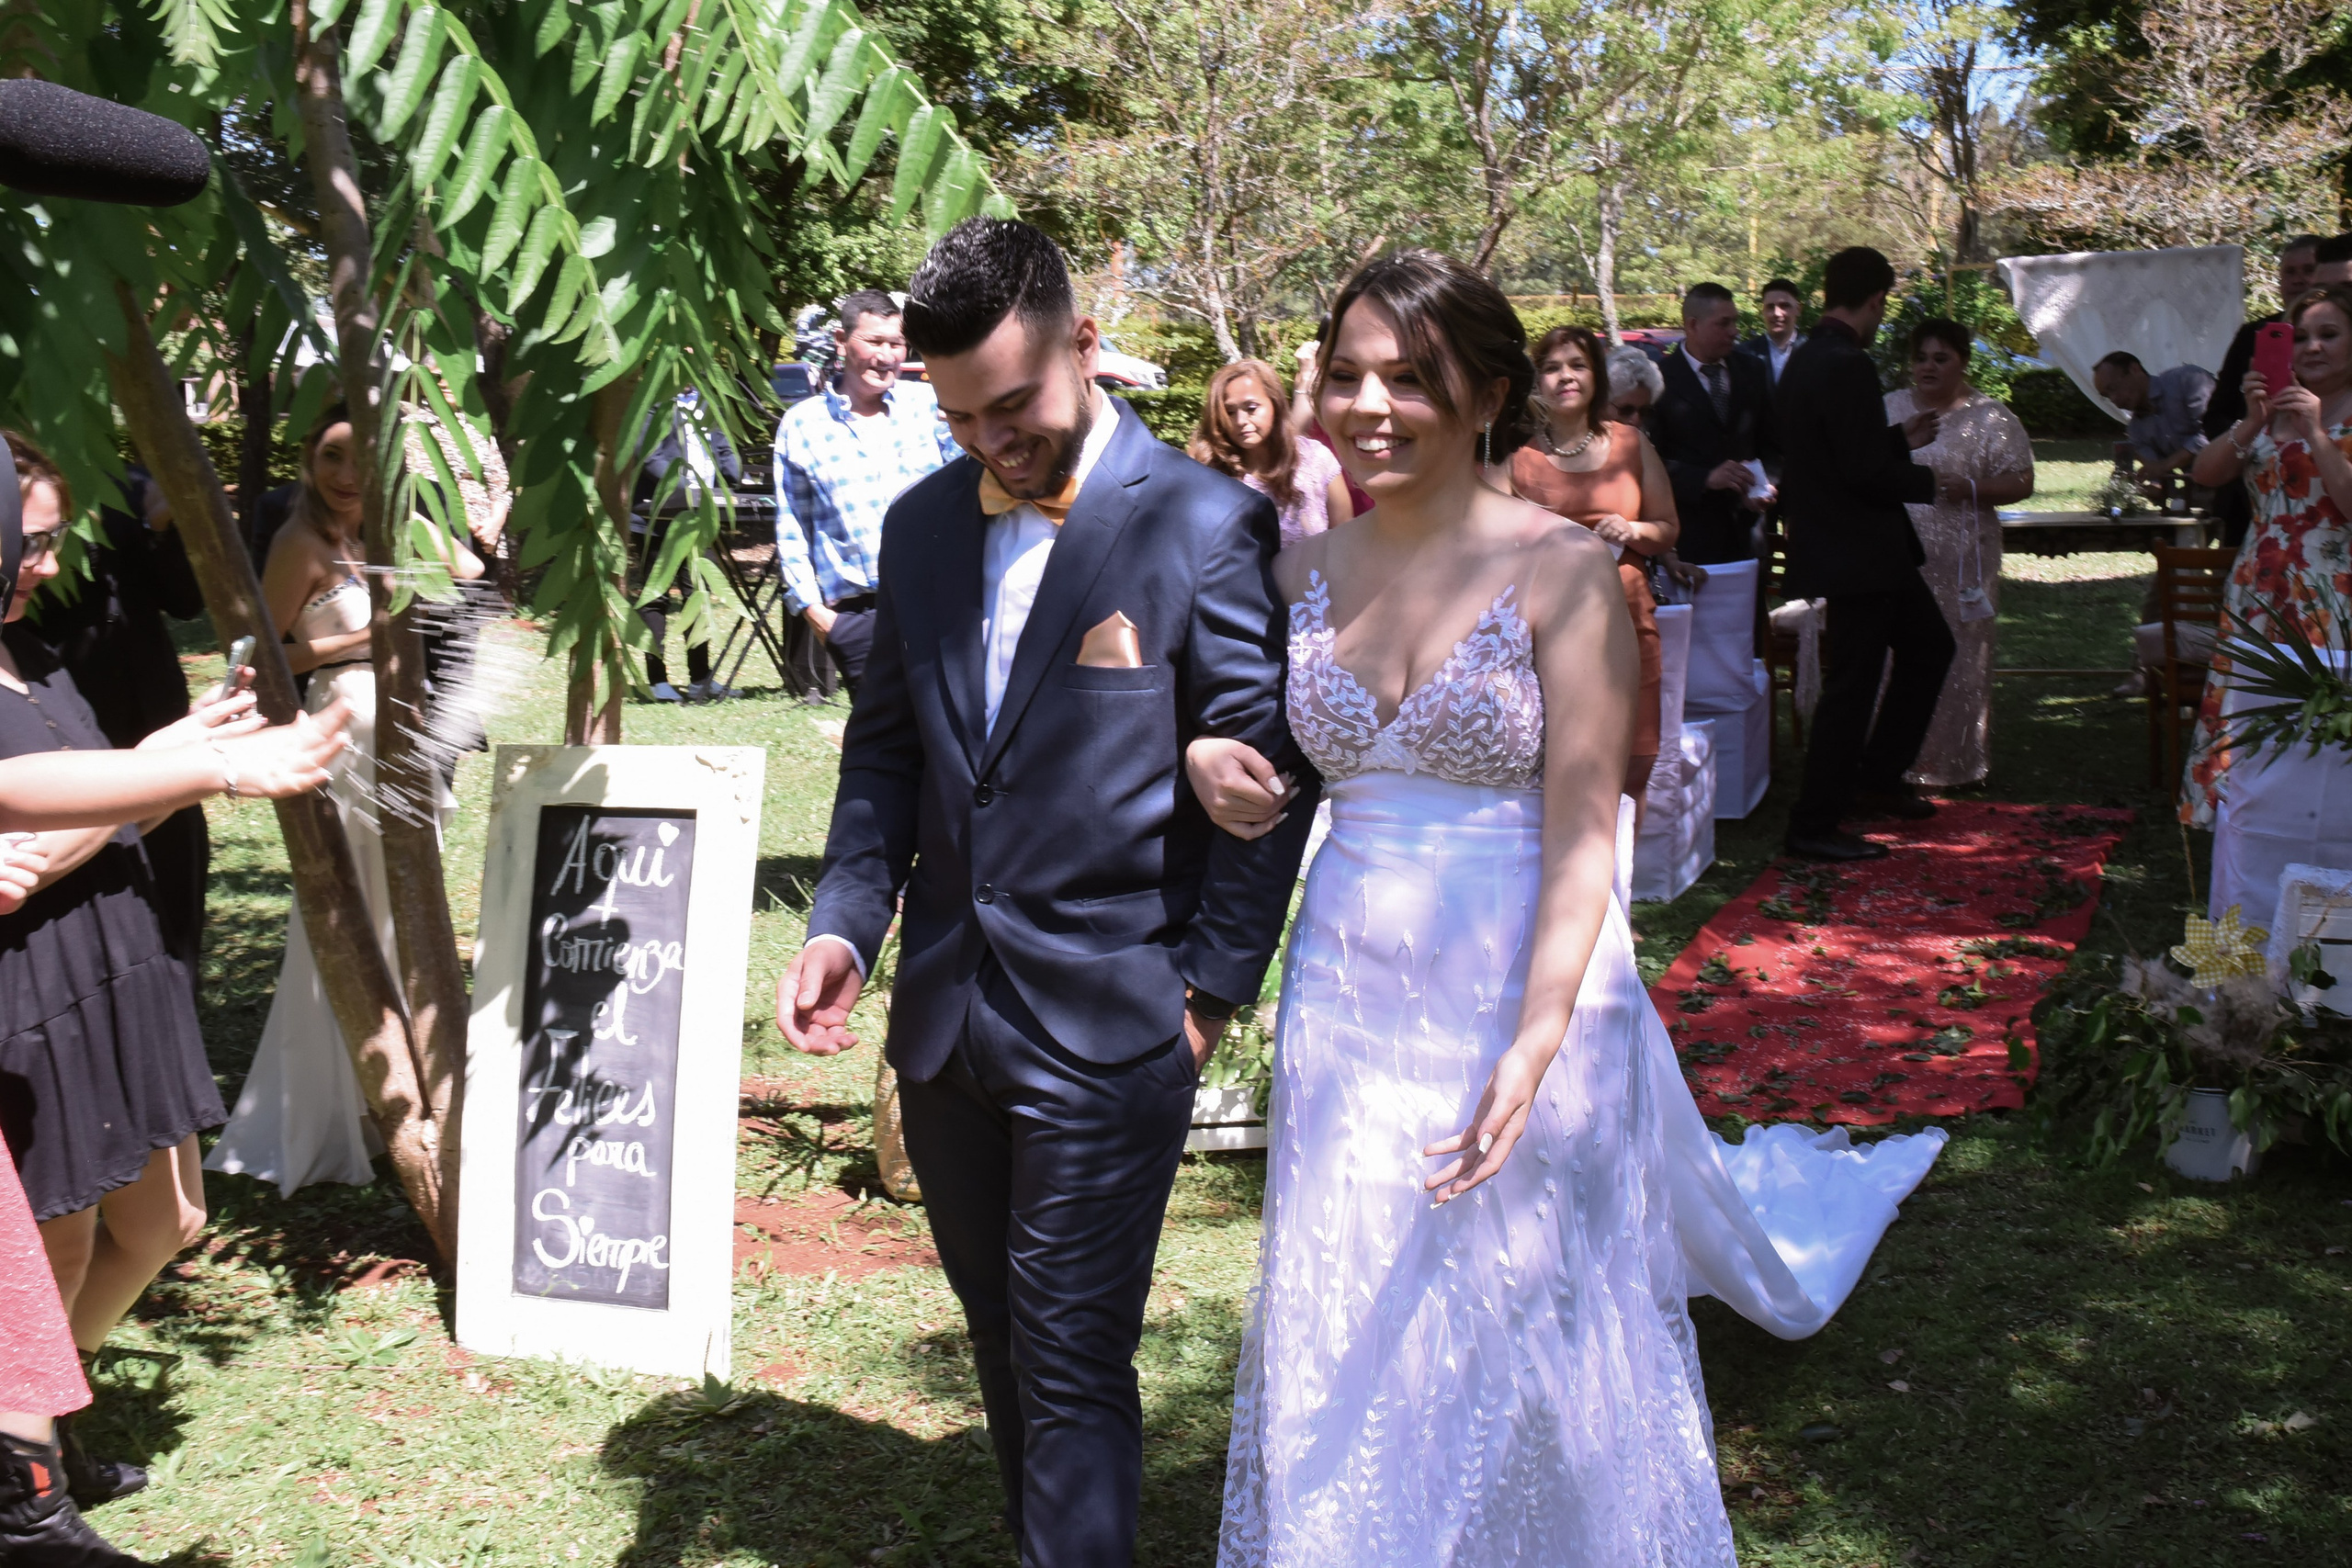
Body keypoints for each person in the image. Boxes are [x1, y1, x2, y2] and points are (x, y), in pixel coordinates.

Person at [1180, 250, 1946, 1565]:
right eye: (1350, 373)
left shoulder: (1561, 569)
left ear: (1484, 393)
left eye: (1410, 378)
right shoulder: (1297, 570)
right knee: (1356, 1268)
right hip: (1354, 971)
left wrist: (1537, 1039)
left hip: (1534, 961)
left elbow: (1589, 824)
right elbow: (1276, 753)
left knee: (1538, 1286)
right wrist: (1212, 761)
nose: (1371, 404)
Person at [772, 220, 1312, 1567]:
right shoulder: (920, 526)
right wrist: (847, 918)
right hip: (948, 1019)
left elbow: (1262, 777)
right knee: (1005, 1331)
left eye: (1014, 405)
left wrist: (1207, 995)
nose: (991, 443)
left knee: (1071, 1346)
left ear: (1085, 344)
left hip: (1116, 1015)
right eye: (960, 417)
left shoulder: (1207, 519)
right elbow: (888, 748)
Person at [0, 434, 349, 1561]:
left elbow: (88, 804)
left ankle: (42, 1419)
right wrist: (209, 769)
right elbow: (28, 809)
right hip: (34, 989)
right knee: (44, 1259)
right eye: (31, 540)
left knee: (168, 1222)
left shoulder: (28, 648)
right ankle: (27, 1488)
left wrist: (178, 744)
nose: (48, 563)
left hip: (117, 957)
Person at [207, 406, 483, 1196]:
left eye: (362, 457)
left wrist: (416, 510)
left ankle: (393, 1090)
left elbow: (465, 570)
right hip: (343, 736)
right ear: (307, 459)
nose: (344, 473)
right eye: (330, 454)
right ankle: (324, 1108)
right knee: (349, 912)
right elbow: (264, 648)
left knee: (405, 912)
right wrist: (362, 640)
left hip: (400, 735)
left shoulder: (386, 535)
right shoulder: (303, 542)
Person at [1778, 246, 1950, 862]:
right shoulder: (1849, 363)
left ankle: (1876, 778)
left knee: (1931, 645)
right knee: (1852, 686)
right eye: (1883, 306)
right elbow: (1860, 471)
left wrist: (1893, 439)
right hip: (1860, 551)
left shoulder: (1803, 358)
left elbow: (1830, 450)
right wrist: (1932, 481)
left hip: (1852, 546)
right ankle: (1814, 822)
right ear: (1876, 300)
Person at [24, 468, 209, 976]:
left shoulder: (130, 485)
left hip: (157, 720)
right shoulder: (18, 500)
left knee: (175, 879)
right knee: (93, 880)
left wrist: (162, 528)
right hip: (65, 729)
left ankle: (177, 1000)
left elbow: (187, 601)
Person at [2180, 283, 2352, 823]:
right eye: (2299, 337)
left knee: (2323, 716)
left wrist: (2317, 434)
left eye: (2329, 334)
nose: (2312, 347)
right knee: (2252, 712)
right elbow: (2205, 474)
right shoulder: (2269, 409)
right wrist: (2253, 419)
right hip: (2260, 590)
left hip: (2333, 594)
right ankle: (2252, 829)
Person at [1502, 323, 1679, 804]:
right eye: (1552, 368)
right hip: (1550, 632)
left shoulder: (1631, 445)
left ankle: (1624, 879)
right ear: (1537, 380)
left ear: (1596, 376)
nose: (1565, 377)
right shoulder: (1518, 459)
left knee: (1634, 767)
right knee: (1563, 764)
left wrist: (1634, 530)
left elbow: (1668, 528)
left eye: (1577, 366)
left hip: (1629, 618)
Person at [773, 288, 959, 694]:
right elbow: (792, 527)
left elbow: (974, 486)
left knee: (953, 744)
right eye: (874, 341)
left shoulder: (930, 406)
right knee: (881, 748)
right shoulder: (803, 424)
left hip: (940, 606)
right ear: (842, 342)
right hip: (857, 618)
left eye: (896, 344)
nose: (887, 355)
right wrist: (816, 613)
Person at [1882, 320, 2035, 787]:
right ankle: (1892, 764)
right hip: (1898, 555)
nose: (1928, 366)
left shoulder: (1992, 418)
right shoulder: (1888, 409)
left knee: (1962, 657)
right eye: (1921, 357)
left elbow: (2022, 481)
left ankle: (1955, 763)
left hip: (1965, 559)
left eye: (1940, 358)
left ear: (1963, 362)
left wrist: (1972, 488)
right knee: (1895, 656)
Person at [2202, 237, 2323, 550]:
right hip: (2252, 498)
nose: (2298, 279)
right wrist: (2253, 429)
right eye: (2289, 272)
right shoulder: (2252, 337)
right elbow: (2215, 415)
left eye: (2308, 269)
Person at [1646, 281, 1775, 563]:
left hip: (1747, 532)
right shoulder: (1659, 380)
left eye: (1735, 322)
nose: (1734, 331)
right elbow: (1648, 462)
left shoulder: (1752, 370)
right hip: (1690, 537)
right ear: (1693, 325)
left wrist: (1767, 484)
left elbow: (1772, 441)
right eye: (1724, 323)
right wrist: (1704, 479)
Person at [634, 388, 741, 703]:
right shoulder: (652, 399)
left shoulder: (709, 401)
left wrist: (729, 478)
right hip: (657, 516)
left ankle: (700, 678)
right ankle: (657, 681)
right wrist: (690, 491)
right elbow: (650, 455)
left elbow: (722, 447)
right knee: (656, 597)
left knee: (699, 593)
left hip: (699, 514)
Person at [1190, 359, 1354, 546]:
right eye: (1230, 412)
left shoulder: (1316, 459)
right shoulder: (1211, 472)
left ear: (1275, 404)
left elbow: (1346, 536)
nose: (1240, 420)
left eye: (1251, 408)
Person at [2093, 351, 2215, 495]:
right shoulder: (2136, 431)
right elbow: (2161, 480)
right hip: (2207, 495)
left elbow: (2215, 431)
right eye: (2106, 396)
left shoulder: (2187, 380)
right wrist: (2139, 488)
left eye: (2113, 388)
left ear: (2134, 369)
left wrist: (2165, 465)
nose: (2114, 399)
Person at [1739, 276, 1807, 387]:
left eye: (1784, 306)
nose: (1777, 313)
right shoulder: (1744, 354)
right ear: (1763, 311)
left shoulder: (1813, 351)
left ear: (1798, 309)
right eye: (1770, 307)